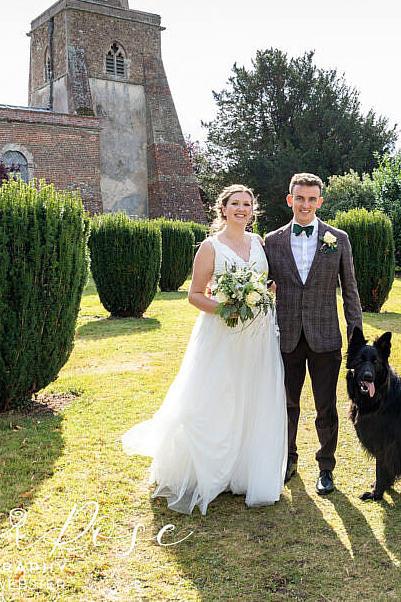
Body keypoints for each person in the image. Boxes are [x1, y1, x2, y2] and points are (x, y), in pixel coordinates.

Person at [122, 185, 287, 515]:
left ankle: (245, 470)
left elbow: (265, 283)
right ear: (222, 208)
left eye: (247, 204)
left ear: (253, 210)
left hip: (258, 334)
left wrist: (267, 294)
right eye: (235, 204)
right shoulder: (210, 247)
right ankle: (209, 470)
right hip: (222, 333)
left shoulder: (258, 242)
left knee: (253, 397)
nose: (241, 209)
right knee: (216, 397)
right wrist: (226, 310)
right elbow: (195, 294)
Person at [263, 173, 363, 496]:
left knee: (326, 406)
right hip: (287, 337)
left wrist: (356, 338)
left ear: (320, 202)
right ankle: (288, 460)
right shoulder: (272, 241)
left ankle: (326, 467)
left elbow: (350, 291)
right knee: (287, 404)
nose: (305, 204)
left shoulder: (338, 239)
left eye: (312, 199)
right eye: (300, 198)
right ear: (290, 200)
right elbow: (263, 284)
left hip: (325, 338)